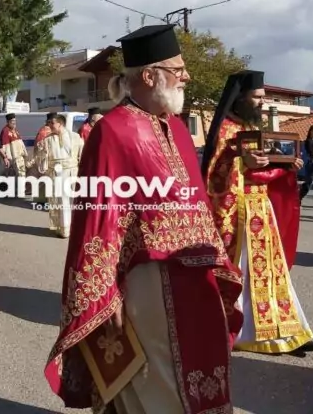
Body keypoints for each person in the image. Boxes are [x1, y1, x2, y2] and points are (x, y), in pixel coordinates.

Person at [44, 24, 243, 414]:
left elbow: (198, 204)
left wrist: (219, 263)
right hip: (150, 280)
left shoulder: (179, 129)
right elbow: (97, 219)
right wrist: (105, 293)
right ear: (150, 76)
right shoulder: (112, 131)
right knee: (159, 379)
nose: (186, 76)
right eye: (178, 69)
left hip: (198, 277)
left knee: (205, 367)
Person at [201, 70, 313, 357]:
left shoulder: (251, 128)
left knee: (273, 273)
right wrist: (241, 160)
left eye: (263, 98)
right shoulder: (226, 129)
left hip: (260, 211)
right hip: (239, 217)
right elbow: (214, 176)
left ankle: (286, 328)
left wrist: (285, 166)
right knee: (248, 275)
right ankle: (248, 333)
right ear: (241, 98)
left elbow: (261, 170)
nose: (262, 103)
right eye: (257, 97)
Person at [35, 114, 84, 238]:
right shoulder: (47, 140)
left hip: (73, 172)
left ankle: (75, 228)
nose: (50, 125)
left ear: (60, 124)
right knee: (62, 201)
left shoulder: (75, 137)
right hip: (57, 174)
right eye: (49, 123)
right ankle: (64, 229)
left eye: (52, 123)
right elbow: (42, 159)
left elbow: (82, 154)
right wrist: (40, 152)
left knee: (74, 201)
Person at [32, 112, 56, 205]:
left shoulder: (51, 131)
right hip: (43, 159)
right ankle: (40, 200)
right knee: (43, 179)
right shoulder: (44, 131)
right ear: (49, 122)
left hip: (50, 159)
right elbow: (39, 147)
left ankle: (45, 199)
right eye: (53, 122)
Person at [0, 113, 28, 177]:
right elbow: (5, 147)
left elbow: (20, 143)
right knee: (19, 176)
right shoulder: (5, 131)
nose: (14, 122)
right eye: (12, 121)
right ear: (8, 122)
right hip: (14, 159)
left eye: (15, 121)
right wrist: (8, 159)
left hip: (20, 158)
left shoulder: (15, 130)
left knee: (21, 175)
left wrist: (24, 153)